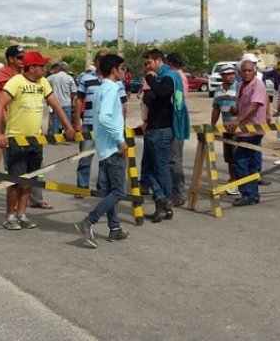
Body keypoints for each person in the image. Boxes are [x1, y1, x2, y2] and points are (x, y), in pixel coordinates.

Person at [0, 51, 75, 230]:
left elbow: (55, 105)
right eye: (42, 66)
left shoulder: (43, 82)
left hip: (35, 140)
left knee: (30, 179)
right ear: (32, 68)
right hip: (16, 140)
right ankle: (10, 216)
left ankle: (21, 214)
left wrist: (68, 127)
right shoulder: (15, 82)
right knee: (16, 181)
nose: (45, 69)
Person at [75, 54, 130, 248]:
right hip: (113, 148)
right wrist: (120, 140)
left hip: (105, 147)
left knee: (109, 190)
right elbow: (106, 117)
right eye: (122, 68)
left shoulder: (101, 88)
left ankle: (115, 228)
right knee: (118, 191)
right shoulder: (111, 88)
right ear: (114, 69)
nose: (124, 72)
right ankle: (88, 221)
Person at [141, 49, 189, 222]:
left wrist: (150, 78)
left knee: (159, 169)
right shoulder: (164, 77)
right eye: (146, 65)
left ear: (158, 60)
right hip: (155, 128)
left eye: (149, 63)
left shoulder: (168, 76)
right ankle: (163, 203)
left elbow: (161, 92)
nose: (147, 67)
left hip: (162, 129)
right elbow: (150, 98)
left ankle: (163, 201)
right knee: (154, 168)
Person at [227, 60, 268, 206]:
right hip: (244, 130)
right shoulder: (241, 86)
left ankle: (247, 194)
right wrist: (236, 111)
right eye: (244, 70)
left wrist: (238, 119)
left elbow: (254, 105)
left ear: (255, 71)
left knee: (240, 161)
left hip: (253, 130)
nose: (246, 73)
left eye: (249, 70)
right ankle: (253, 194)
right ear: (239, 72)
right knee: (252, 164)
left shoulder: (258, 84)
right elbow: (245, 106)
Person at [210, 63, 240, 195]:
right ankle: (233, 181)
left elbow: (248, 107)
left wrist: (238, 111)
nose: (230, 76)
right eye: (227, 74)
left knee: (239, 157)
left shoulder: (240, 88)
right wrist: (212, 125)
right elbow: (216, 109)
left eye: (232, 73)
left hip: (240, 129)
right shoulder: (218, 90)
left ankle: (240, 182)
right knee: (229, 157)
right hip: (226, 129)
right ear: (222, 75)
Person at [165, 52, 189, 207]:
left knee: (174, 159)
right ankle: (173, 191)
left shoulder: (176, 77)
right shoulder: (179, 76)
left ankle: (178, 193)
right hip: (176, 122)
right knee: (172, 159)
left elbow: (177, 103)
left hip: (175, 122)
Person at [46, 61, 77, 134]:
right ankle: (67, 138)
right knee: (67, 122)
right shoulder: (70, 78)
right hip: (67, 103)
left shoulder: (53, 77)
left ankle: (55, 138)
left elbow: (44, 82)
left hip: (56, 103)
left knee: (55, 122)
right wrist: (71, 100)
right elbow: (74, 91)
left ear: (59, 68)